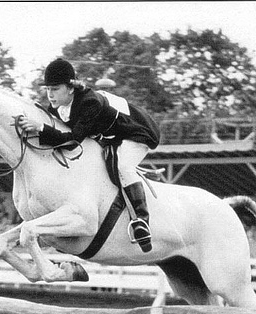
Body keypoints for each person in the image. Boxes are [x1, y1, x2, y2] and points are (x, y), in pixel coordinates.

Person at [18, 58, 160, 252]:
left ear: (70, 88)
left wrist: (41, 128)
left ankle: (141, 221)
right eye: (48, 89)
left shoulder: (89, 102)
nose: (50, 95)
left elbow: (72, 141)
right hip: (111, 136)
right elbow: (58, 137)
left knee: (123, 166)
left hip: (137, 132)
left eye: (55, 89)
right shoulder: (57, 107)